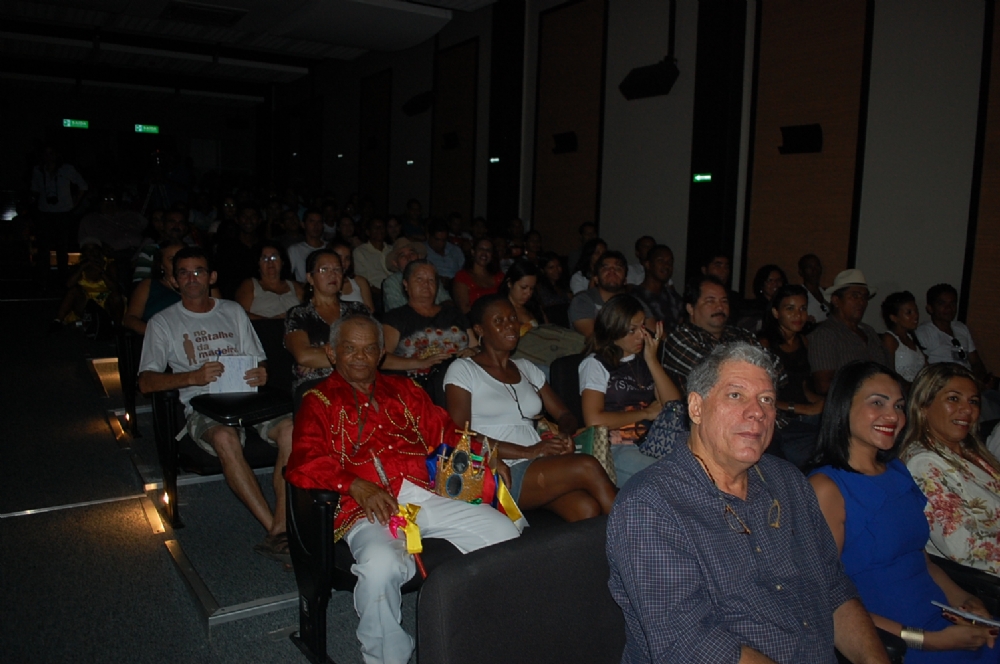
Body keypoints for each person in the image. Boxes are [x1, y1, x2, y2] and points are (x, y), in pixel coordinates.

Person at [607, 343, 890, 664]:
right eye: (735, 395)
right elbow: (688, 645)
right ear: (696, 408)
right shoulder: (651, 505)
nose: (758, 411)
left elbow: (833, 589)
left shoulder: (788, 482)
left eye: (766, 399)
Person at [286, 313, 520, 664]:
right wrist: (354, 484)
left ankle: (479, 630)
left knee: (505, 532)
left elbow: (446, 432)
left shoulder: (405, 390)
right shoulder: (318, 401)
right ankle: (387, 657)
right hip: (366, 509)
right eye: (350, 349)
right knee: (380, 567)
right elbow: (304, 460)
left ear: (381, 353)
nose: (361, 357)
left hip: (424, 494)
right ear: (332, 353)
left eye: (369, 349)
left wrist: (484, 455)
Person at [809, 361, 998, 662]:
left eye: (898, 406)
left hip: (944, 621)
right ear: (844, 407)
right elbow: (822, 599)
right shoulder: (826, 488)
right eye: (877, 403)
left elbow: (920, 558)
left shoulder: (897, 470)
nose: (893, 416)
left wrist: (965, 599)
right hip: (892, 642)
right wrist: (928, 641)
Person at [138, 246, 294, 563]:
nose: (191, 278)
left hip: (248, 395)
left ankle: (280, 525)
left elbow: (259, 359)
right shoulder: (163, 322)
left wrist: (261, 371)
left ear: (212, 277)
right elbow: (146, 382)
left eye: (198, 271)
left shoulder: (232, 311)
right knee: (224, 437)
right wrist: (192, 377)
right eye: (183, 273)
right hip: (205, 406)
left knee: (292, 430)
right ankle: (275, 530)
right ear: (174, 280)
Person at [444, 294, 616, 521]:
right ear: (479, 330)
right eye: (499, 321)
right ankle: (636, 534)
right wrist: (528, 451)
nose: (510, 326)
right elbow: (460, 435)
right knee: (587, 465)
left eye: (512, 318)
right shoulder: (463, 370)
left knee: (586, 508)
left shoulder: (526, 368)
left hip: (538, 462)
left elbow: (565, 414)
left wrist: (564, 435)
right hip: (498, 467)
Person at [900, 363, 1000, 578]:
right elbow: (961, 545)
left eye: (973, 401)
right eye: (953, 399)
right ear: (923, 405)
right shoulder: (923, 462)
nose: (967, 409)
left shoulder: (969, 451)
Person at [580, 294, 682, 487]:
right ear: (613, 330)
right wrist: (646, 413)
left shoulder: (643, 360)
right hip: (615, 448)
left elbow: (674, 406)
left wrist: (652, 360)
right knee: (668, 481)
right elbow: (594, 420)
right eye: (631, 330)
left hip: (652, 443)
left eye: (642, 326)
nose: (641, 335)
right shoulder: (596, 364)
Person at [284, 249, 370, 405]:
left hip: (357, 379)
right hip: (316, 384)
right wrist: (355, 353)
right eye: (324, 270)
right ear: (310, 278)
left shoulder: (357, 310)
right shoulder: (299, 314)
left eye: (337, 269)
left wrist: (322, 352)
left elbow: (373, 350)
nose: (332, 274)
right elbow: (304, 356)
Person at [758, 284, 825, 467]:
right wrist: (804, 409)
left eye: (803, 309)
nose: (798, 315)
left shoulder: (803, 340)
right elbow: (761, 396)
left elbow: (803, 386)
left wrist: (823, 403)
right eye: (790, 309)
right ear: (776, 312)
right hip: (780, 416)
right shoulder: (765, 344)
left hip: (803, 412)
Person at [660, 274, 759, 391]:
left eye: (724, 301)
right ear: (691, 308)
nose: (720, 307)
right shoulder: (679, 339)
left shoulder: (740, 334)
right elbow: (717, 375)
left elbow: (775, 368)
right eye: (710, 301)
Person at [381, 260, 476, 381]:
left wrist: (473, 352)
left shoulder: (454, 313)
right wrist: (421, 363)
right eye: (419, 279)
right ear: (406, 284)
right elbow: (381, 359)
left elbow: (477, 347)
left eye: (431, 280)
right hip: (418, 383)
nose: (426, 284)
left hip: (461, 377)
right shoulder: (395, 318)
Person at [808, 269, 890, 396]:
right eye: (855, 296)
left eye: (864, 297)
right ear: (836, 300)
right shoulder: (826, 334)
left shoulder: (869, 331)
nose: (861, 302)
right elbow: (824, 385)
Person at [30, 145, 88, 287]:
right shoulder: (38, 170)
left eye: (51, 153)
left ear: (57, 154)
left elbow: (83, 185)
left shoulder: (67, 169)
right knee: (44, 248)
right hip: (44, 212)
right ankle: (43, 280)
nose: (49, 156)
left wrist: (74, 203)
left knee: (62, 247)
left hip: (63, 212)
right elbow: (34, 190)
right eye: (46, 153)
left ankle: (63, 280)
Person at [51, 238, 124, 335]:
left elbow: (115, 288)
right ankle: (57, 321)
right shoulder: (79, 267)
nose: (92, 252)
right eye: (88, 250)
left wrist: (101, 272)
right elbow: (68, 285)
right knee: (73, 291)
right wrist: (82, 267)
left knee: (116, 296)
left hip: (105, 303)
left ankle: (118, 327)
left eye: (94, 249)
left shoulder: (110, 265)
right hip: (86, 303)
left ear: (99, 250)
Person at [568, 250, 637, 339]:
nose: (612, 271)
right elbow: (594, 338)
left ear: (625, 280)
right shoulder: (582, 301)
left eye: (618, 268)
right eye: (606, 268)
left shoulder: (634, 302)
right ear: (596, 279)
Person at [122, 241, 184, 335]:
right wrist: (156, 333)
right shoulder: (149, 284)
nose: (178, 263)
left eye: (181, 258)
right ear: (161, 264)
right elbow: (130, 319)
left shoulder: (200, 284)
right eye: (172, 259)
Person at [234, 242, 303, 320]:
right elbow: (240, 314)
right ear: (258, 263)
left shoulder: (295, 286)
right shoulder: (249, 285)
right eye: (265, 258)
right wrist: (270, 321)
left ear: (282, 262)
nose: (270, 262)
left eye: (274, 257)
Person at [381, 238, 448, 311]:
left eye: (412, 253)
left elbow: (446, 300)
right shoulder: (391, 282)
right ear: (395, 263)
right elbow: (396, 311)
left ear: (418, 256)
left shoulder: (429, 275)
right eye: (402, 255)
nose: (408, 258)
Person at [214, 202, 263, 299]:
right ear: (237, 220)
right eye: (244, 216)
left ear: (259, 220)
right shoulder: (226, 247)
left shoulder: (266, 247)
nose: (248, 220)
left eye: (253, 217)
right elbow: (222, 279)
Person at [632, 244, 683, 332]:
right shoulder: (635, 297)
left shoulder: (674, 297)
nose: (666, 265)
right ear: (648, 264)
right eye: (660, 261)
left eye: (670, 262)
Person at [880, 291, 928, 385]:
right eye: (909, 313)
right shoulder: (890, 339)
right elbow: (889, 372)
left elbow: (927, 368)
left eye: (916, 311)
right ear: (894, 318)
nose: (916, 315)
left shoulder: (912, 338)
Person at [452, 237, 503, 314]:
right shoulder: (462, 276)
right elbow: (464, 308)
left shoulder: (499, 276)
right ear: (473, 252)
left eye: (488, 250)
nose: (484, 253)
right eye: (481, 249)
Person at [498, 260, 546, 335]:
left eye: (532, 288)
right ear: (510, 283)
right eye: (523, 287)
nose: (528, 293)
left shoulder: (534, 306)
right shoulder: (499, 310)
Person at [738, 264, 787, 333]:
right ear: (762, 284)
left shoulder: (785, 306)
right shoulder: (751, 307)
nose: (775, 283)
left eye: (778, 280)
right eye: (770, 280)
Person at [330, 240, 374, 312]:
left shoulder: (360, 282)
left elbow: (370, 312)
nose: (343, 262)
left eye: (347, 258)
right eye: (339, 257)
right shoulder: (323, 283)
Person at [353, 217, 392, 294]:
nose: (379, 229)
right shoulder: (360, 252)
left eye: (382, 227)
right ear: (368, 232)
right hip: (375, 293)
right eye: (375, 227)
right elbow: (362, 279)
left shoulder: (392, 250)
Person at [287, 209, 326, 282]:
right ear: (303, 224)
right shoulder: (294, 250)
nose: (316, 226)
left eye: (319, 222)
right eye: (312, 221)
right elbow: (286, 276)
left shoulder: (329, 247)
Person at [425, 218, 466, 288]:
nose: (441, 244)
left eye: (443, 240)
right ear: (428, 236)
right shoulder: (422, 250)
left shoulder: (455, 250)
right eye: (437, 240)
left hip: (457, 285)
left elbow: (463, 271)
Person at [535, 252, 572, 326]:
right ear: (543, 270)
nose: (556, 270)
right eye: (551, 268)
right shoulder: (539, 288)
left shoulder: (563, 286)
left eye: (558, 266)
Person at [799, 253, 830, 324]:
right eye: (809, 267)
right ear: (801, 272)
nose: (814, 270)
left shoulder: (826, 293)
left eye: (817, 266)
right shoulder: (799, 294)